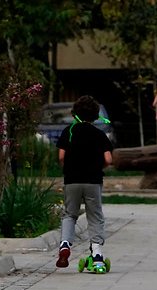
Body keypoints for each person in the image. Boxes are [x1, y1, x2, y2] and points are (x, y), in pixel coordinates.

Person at [55, 95, 113, 271]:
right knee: (95, 216)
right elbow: (109, 159)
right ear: (95, 115)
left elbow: (61, 156)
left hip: (72, 180)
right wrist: (98, 166)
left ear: (75, 114)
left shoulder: (69, 131)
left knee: (69, 214)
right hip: (93, 181)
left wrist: (68, 167)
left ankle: (65, 244)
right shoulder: (99, 134)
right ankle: (96, 253)